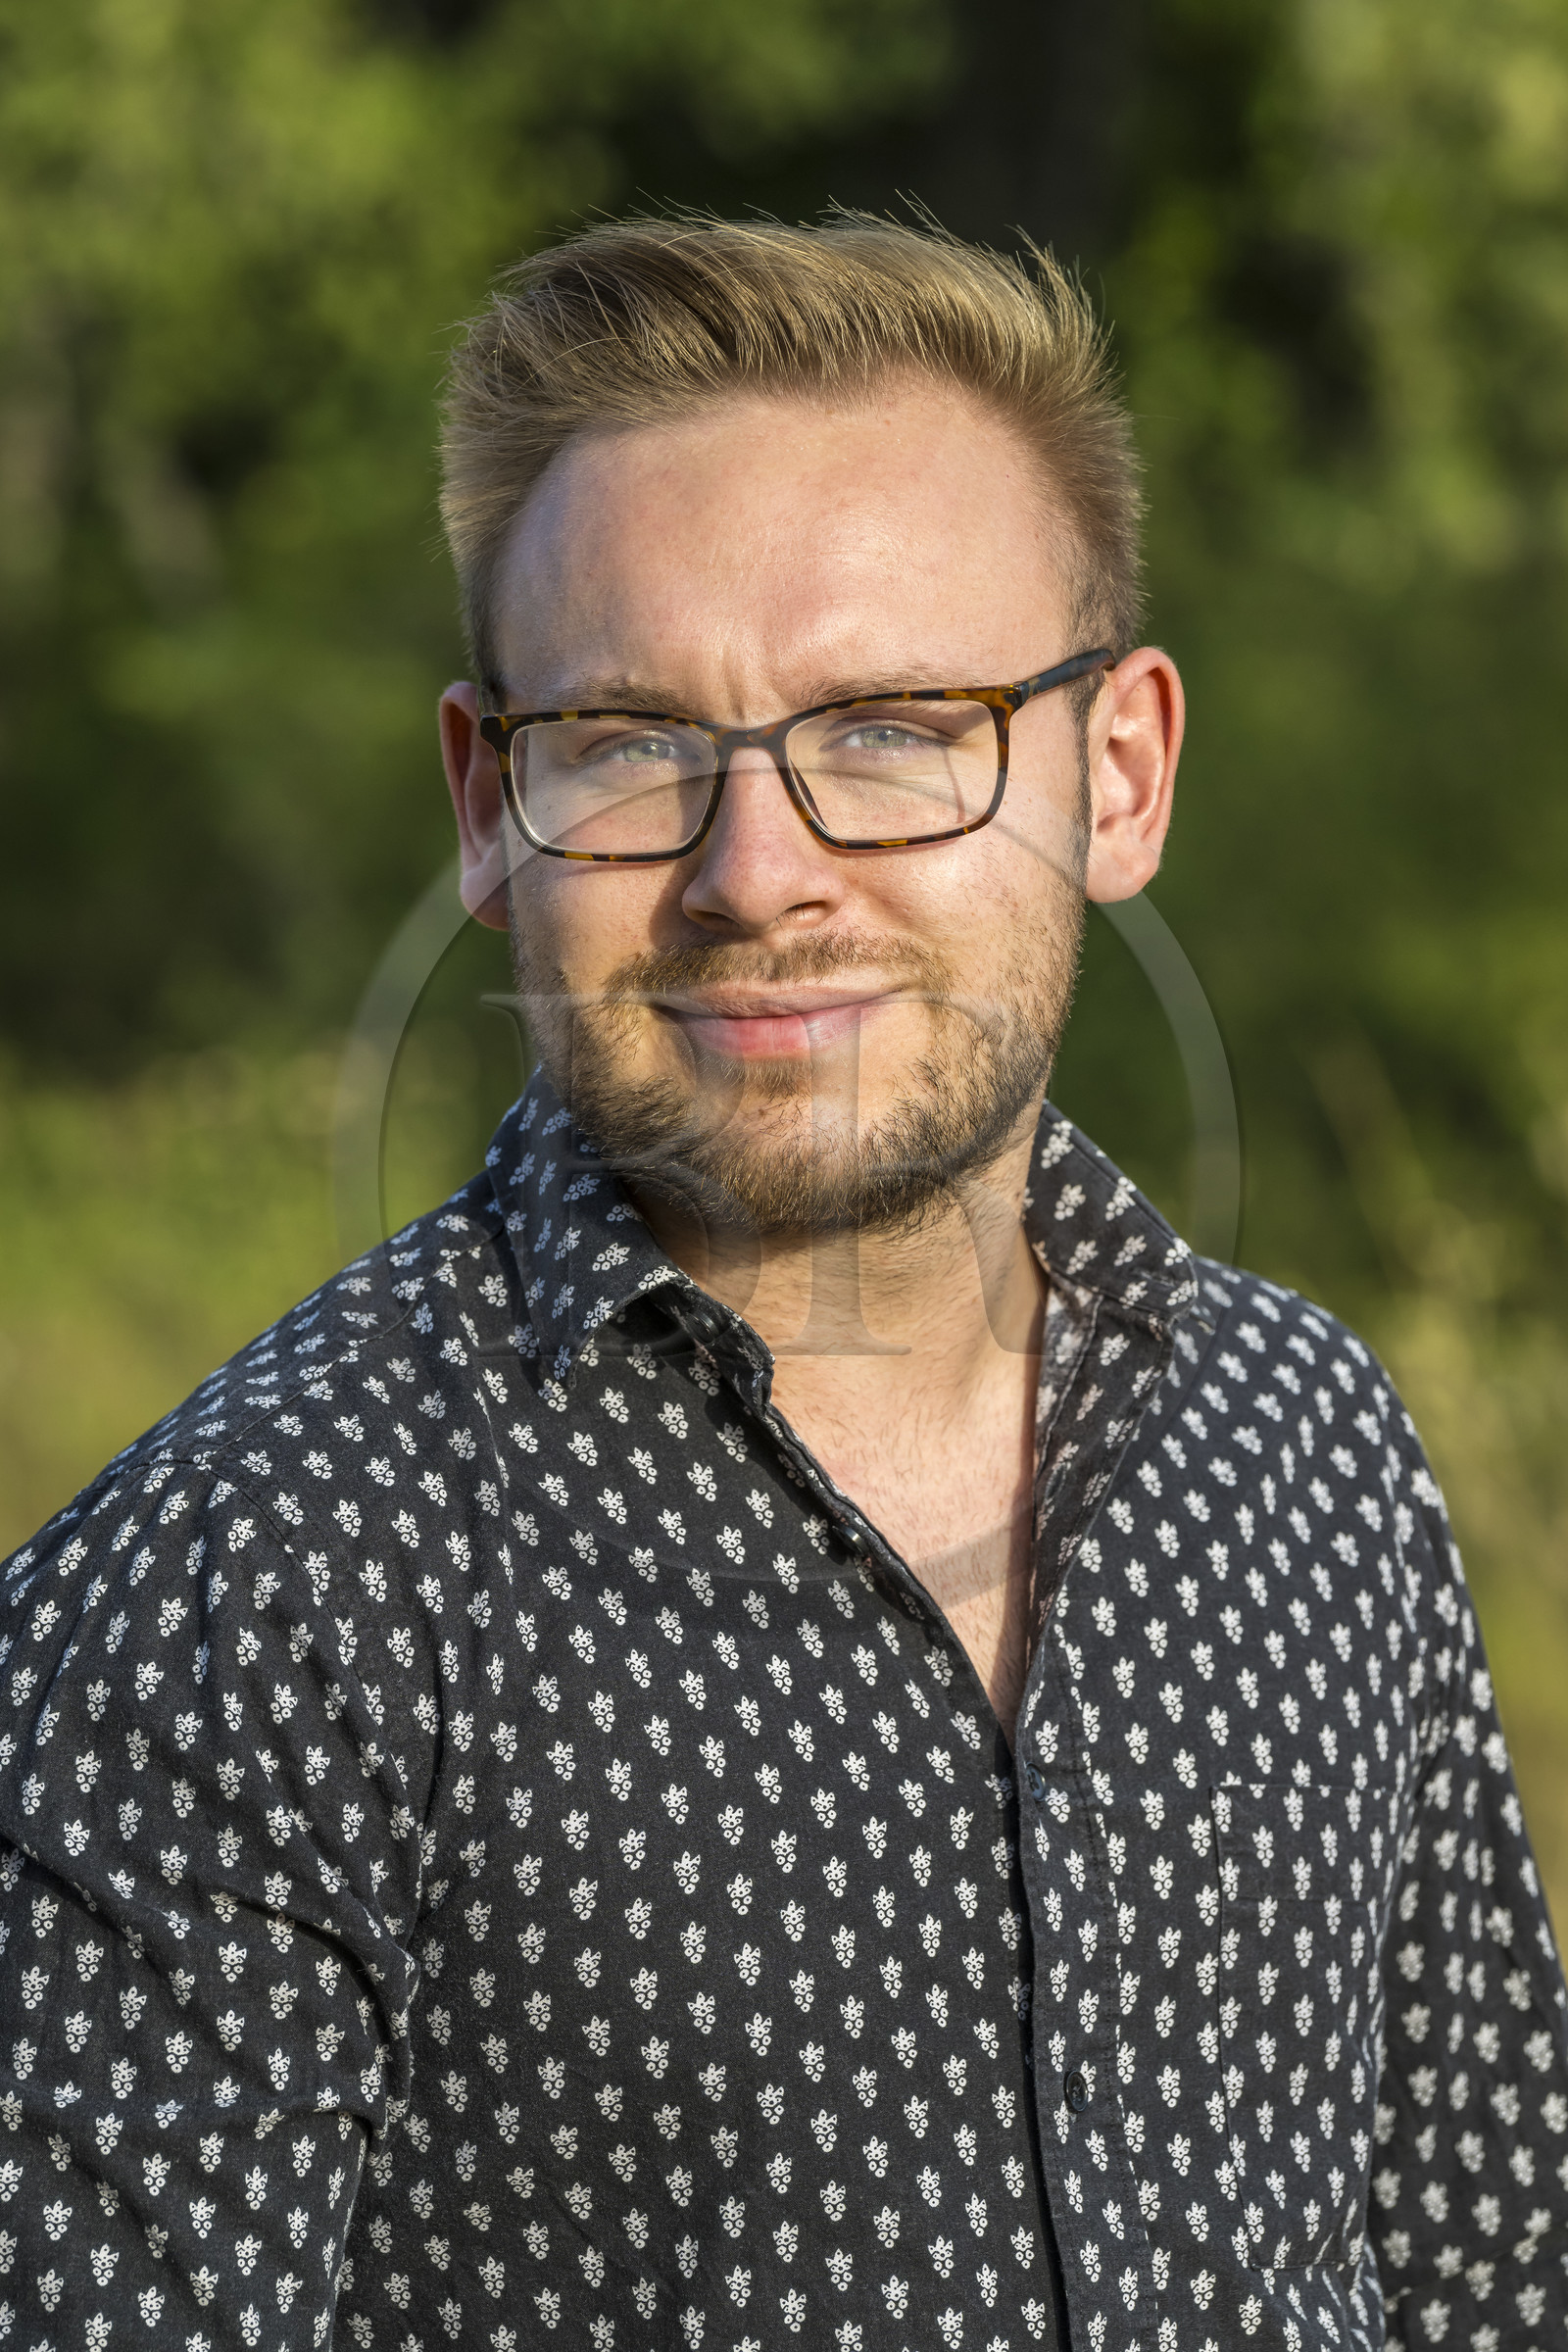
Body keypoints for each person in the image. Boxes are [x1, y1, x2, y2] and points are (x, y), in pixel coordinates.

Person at [2, 214, 1564, 2352]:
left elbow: (1484, 2275)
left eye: (898, 728)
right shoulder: (242, 1592)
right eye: (630, 743)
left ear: (1116, 775)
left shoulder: (1302, 1448)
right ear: (488, 807)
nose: (756, 873)